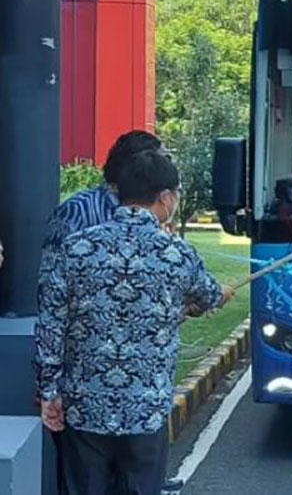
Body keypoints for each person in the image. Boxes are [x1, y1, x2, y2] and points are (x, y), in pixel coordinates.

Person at [35, 151, 235, 495]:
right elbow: (207, 297)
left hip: (84, 406)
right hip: (145, 409)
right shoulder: (176, 254)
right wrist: (220, 295)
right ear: (166, 197)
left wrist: (48, 391)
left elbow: (50, 325)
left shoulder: (76, 248)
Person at [35, 130, 166, 494]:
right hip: (84, 387)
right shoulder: (75, 214)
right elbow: (51, 299)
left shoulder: (154, 221)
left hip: (135, 390)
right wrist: (50, 384)